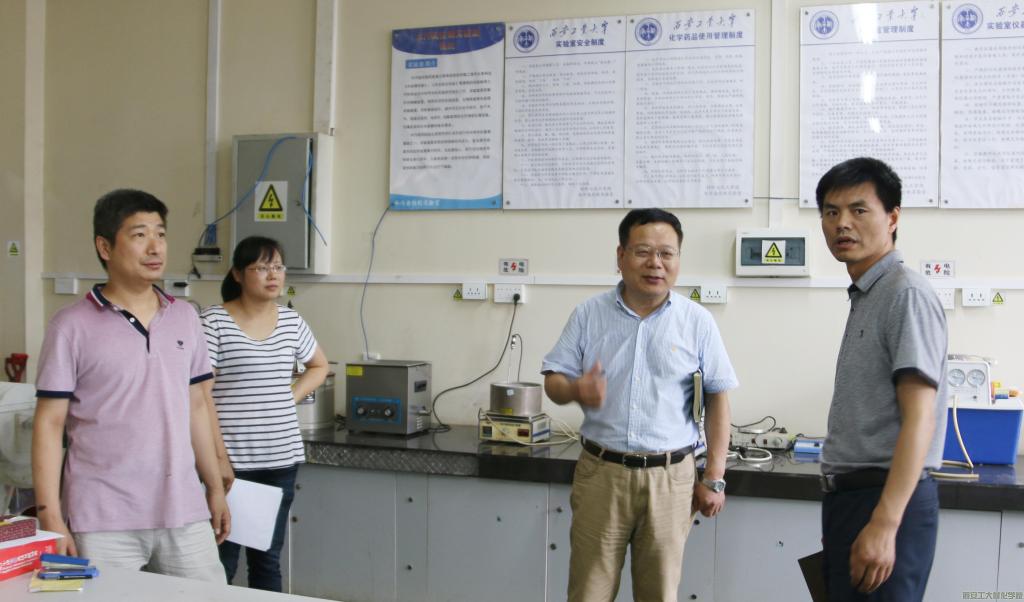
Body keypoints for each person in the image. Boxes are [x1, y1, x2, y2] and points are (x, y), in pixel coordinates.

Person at [32, 189, 229, 582]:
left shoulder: (185, 317)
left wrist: (214, 486)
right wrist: (50, 515)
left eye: (161, 234)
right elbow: (49, 424)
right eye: (140, 235)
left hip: (183, 509)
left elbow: (197, 405)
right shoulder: (70, 326)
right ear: (104, 247)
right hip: (101, 518)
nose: (155, 247)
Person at [542, 208, 738, 602]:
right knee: (588, 592)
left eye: (667, 253)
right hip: (602, 474)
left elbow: (718, 397)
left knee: (659, 594)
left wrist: (714, 477)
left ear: (678, 259)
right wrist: (577, 389)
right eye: (643, 251)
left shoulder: (697, 321)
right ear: (621, 256)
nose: (655, 263)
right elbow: (553, 382)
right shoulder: (589, 314)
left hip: (671, 479)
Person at [816, 157, 948, 601]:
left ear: (892, 218)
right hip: (853, 500)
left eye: (859, 210)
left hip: (886, 501)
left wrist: (885, 523)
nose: (842, 223)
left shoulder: (904, 293)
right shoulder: (868, 294)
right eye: (831, 212)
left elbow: (920, 418)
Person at [200, 236, 328, 592]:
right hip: (231, 463)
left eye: (278, 267)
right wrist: (218, 459)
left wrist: (289, 398)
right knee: (221, 560)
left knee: (267, 559)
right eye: (261, 267)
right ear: (238, 274)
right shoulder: (214, 321)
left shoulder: (291, 320)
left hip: (280, 459)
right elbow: (200, 394)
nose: (273, 275)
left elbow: (319, 365)